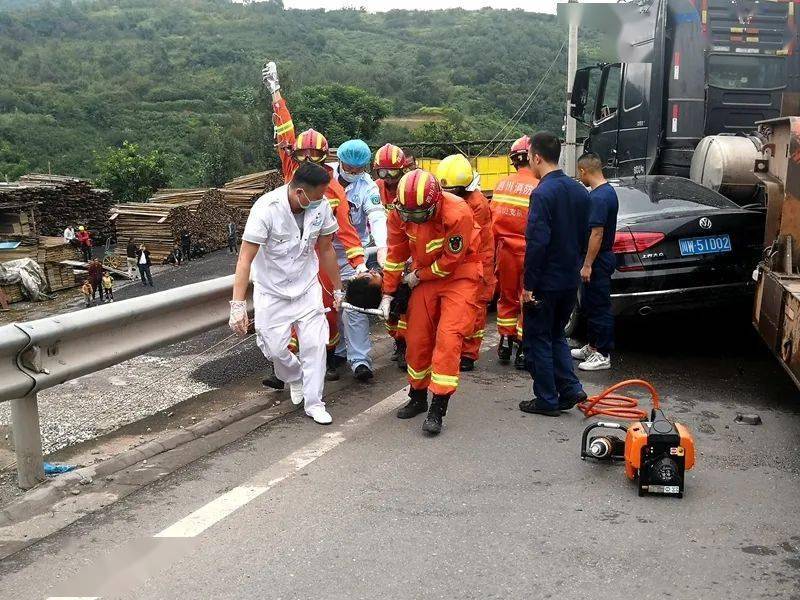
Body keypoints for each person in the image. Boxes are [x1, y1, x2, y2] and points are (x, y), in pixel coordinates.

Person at [264, 60, 367, 382]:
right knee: (285, 312)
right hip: (286, 255)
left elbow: (347, 232)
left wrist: (359, 262)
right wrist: (276, 95)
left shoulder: (333, 190)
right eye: (302, 157)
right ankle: (285, 368)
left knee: (325, 310)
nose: (307, 164)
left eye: (314, 158)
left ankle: (326, 358)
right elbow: (285, 133)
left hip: (320, 256)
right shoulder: (290, 173)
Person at [229, 162, 343, 425]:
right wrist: (237, 304)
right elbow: (245, 258)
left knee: (315, 346)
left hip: (306, 289)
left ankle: (315, 403)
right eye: (315, 197)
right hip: (272, 293)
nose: (320, 201)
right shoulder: (266, 209)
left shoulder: (321, 207)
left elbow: (326, 249)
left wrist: (337, 289)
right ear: (299, 192)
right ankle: (295, 377)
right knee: (275, 349)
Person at [380, 169, 481, 435]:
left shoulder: (458, 213)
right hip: (423, 277)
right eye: (408, 214)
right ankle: (417, 395)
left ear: (435, 203)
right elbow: (395, 254)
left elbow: (451, 262)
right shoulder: (399, 214)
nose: (413, 220)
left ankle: (438, 406)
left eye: (419, 215)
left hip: (459, 276)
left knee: (448, 337)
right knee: (416, 338)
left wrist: (416, 276)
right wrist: (388, 293)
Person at [520, 132, 589, 417]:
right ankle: (571, 389)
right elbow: (584, 235)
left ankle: (546, 399)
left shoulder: (542, 193)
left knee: (538, 338)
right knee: (556, 335)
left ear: (536, 157)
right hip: (568, 279)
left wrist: (528, 285)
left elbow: (537, 243)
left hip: (545, 282)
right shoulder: (579, 191)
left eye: (528, 159)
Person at [331, 139, 388, 382]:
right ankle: (336, 352)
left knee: (354, 306)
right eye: (349, 169)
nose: (353, 173)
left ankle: (360, 361)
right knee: (331, 308)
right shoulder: (325, 176)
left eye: (359, 170)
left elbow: (376, 217)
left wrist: (383, 246)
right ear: (340, 161)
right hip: (323, 250)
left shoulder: (368, 187)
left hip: (354, 252)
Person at [435, 154, 495, 372]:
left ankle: (469, 353)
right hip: (458, 258)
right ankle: (454, 346)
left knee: (475, 308)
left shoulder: (476, 204)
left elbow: (462, 237)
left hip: (477, 259)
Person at [491, 135, 539, 369]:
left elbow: (493, 220)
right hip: (530, 253)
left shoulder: (501, 185)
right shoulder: (540, 186)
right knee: (527, 299)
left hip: (505, 252)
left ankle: (505, 342)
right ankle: (522, 347)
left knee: (507, 297)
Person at [572, 152, 618, 371]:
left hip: (598, 260)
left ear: (584, 171)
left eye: (578, 173)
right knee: (589, 304)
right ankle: (592, 346)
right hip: (596, 259)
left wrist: (588, 264)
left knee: (599, 306)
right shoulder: (606, 192)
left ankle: (603, 354)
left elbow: (597, 234)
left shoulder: (599, 197)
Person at [373, 143, 409, 370]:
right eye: (382, 172)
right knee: (387, 303)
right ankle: (397, 340)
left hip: (408, 253)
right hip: (383, 254)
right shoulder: (375, 188)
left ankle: (406, 345)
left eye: (392, 172)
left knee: (405, 303)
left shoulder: (410, 187)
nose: (388, 178)